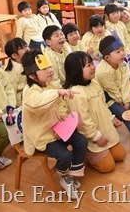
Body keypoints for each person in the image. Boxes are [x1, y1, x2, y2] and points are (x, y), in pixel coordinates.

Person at [22, 49, 87, 199]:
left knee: (82, 142)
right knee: (65, 155)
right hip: (44, 136)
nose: (50, 70)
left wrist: (66, 115)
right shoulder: (30, 91)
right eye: (43, 69)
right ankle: (64, 176)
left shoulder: (51, 85)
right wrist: (58, 92)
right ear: (32, 75)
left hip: (58, 128)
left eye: (49, 66)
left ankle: (72, 172)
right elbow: (37, 104)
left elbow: (59, 105)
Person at [63, 51, 127, 172]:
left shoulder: (94, 83)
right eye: (88, 65)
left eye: (92, 63)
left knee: (121, 155)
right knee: (108, 167)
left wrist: (111, 118)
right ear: (76, 70)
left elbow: (103, 106)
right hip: (92, 136)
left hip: (104, 128)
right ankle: (86, 152)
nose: (93, 67)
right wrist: (96, 137)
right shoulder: (75, 93)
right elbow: (82, 122)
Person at [4, 37, 29, 107]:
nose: (27, 49)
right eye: (22, 48)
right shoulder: (12, 70)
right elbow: (11, 90)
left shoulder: (27, 62)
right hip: (21, 101)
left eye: (26, 46)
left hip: (29, 94)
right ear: (14, 55)